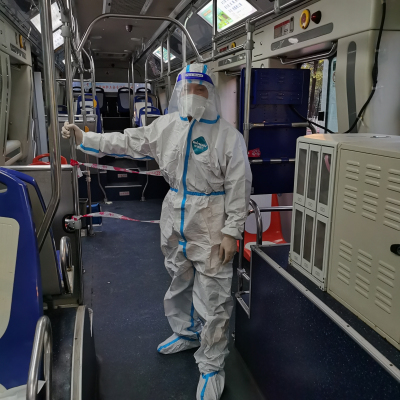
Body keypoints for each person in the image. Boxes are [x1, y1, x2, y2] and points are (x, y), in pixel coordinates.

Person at [62, 63, 252, 400]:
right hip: (175, 212)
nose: (193, 95)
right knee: (178, 277)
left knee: (214, 294)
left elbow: (239, 185)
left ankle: (212, 366)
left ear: (210, 93)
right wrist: (85, 137)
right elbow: (127, 141)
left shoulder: (228, 136)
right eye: (187, 89)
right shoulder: (167, 126)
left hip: (211, 218)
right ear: (179, 93)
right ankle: (186, 332)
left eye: (200, 89)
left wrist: (231, 232)